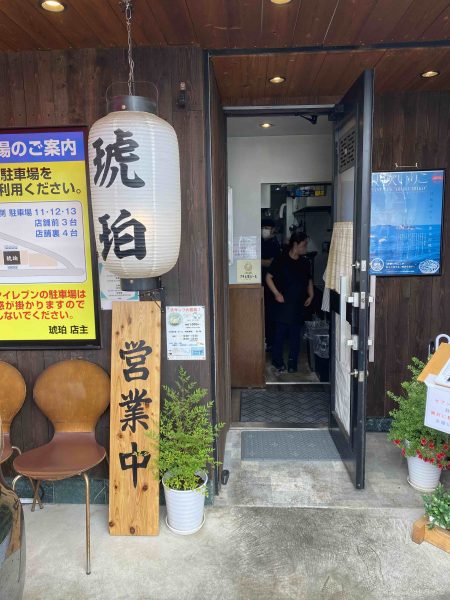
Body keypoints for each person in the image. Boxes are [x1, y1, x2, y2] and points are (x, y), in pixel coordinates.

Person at [266, 231, 314, 373]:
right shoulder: (281, 259)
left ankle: (293, 361)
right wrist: (276, 293)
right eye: (304, 245)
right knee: (280, 333)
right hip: (282, 303)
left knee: (295, 334)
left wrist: (311, 295)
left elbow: (309, 280)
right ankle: (277, 360)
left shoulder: (305, 262)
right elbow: (268, 277)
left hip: (298, 304)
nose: (305, 248)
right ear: (295, 244)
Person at [261, 218, 281, 350]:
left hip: (271, 284)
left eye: (267, 228)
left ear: (273, 229)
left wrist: (254, 260)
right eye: (263, 228)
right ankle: (264, 340)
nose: (265, 230)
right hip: (259, 282)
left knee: (269, 314)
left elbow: (271, 263)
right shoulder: (259, 241)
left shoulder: (274, 244)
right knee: (262, 313)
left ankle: (270, 342)